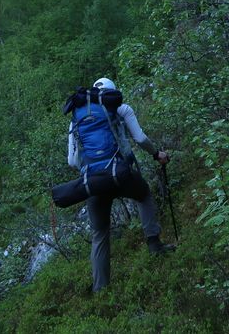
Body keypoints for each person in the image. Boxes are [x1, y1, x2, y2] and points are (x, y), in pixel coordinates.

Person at [67, 77, 175, 292]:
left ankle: (101, 288)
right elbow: (140, 138)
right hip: (121, 173)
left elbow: (71, 161)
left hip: (93, 180)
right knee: (143, 196)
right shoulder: (121, 108)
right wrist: (157, 154)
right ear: (112, 93)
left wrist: (90, 169)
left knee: (99, 234)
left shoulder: (77, 117)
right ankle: (154, 244)